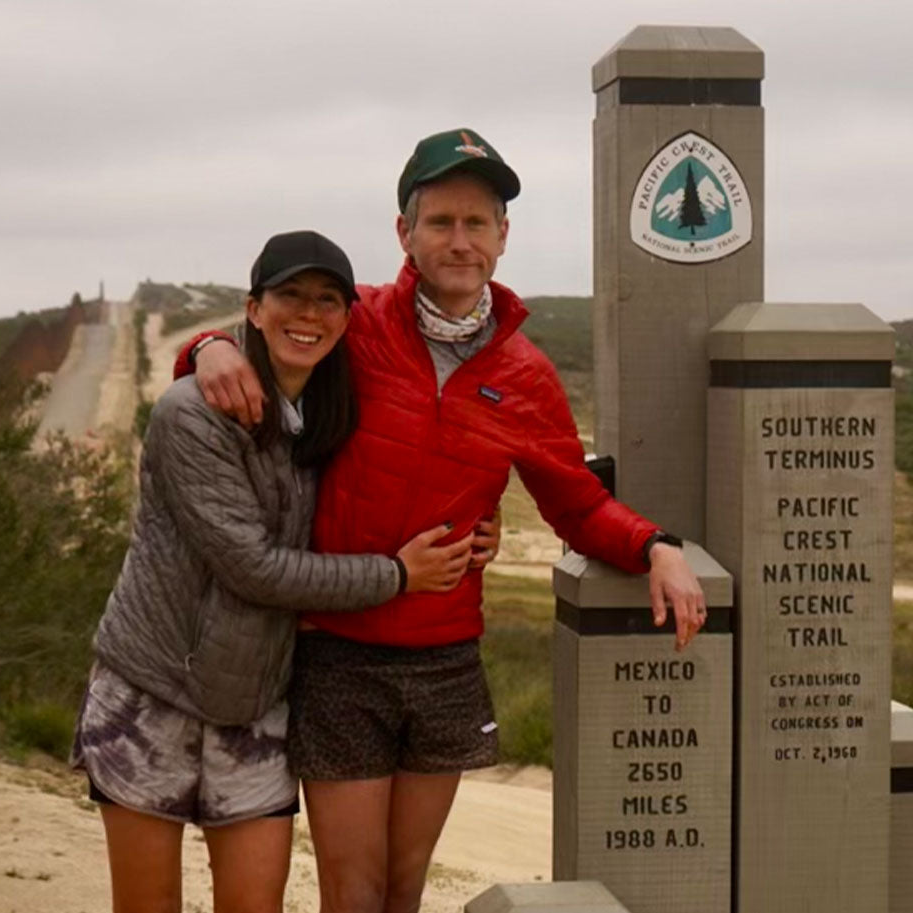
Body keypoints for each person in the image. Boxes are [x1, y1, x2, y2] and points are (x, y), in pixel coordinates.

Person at [174, 129, 707, 913]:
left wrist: (655, 545)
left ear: (502, 237)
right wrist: (211, 345)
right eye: (440, 223)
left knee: (402, 888)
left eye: (477, 223)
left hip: (446, 656)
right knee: (352, 890)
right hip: (339, 652)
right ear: (405, 233)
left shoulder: (525, 373)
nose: (459, 241)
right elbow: (270, 336)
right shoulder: (357, 325)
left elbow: (578, 504)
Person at [75, 229, 497, 913]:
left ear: (346, 317)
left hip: (257, 700)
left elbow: (407, 471)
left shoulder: (334, 409)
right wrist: (396, 575)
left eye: (327, 300)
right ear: (253, 307)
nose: (309, 315)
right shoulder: (193, 414)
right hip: (151, 691)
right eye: (290, 297)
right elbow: (251, 568)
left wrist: (479, 520)